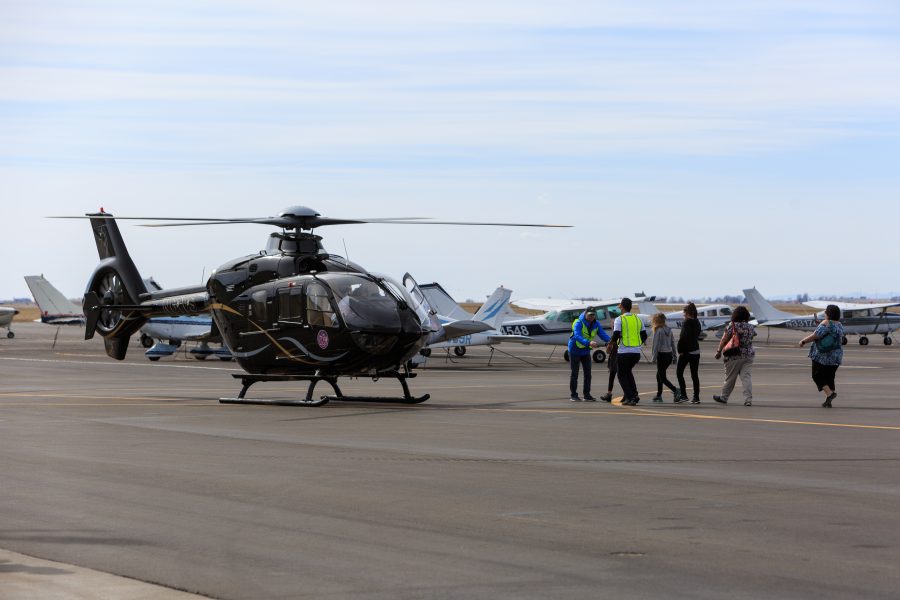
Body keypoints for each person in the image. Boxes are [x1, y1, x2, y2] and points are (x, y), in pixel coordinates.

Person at [799, 304, 844, 408]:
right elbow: (831, 330)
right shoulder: (839, 324)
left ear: (828, 313)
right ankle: (828, 400)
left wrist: (803, 341)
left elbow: (816, 335)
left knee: (816, 375)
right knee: (829, 377)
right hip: (836, 356)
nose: (824, 313)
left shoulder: (825, 323)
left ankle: (830, 394)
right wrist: (821, 324)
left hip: (822, 356)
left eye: (826, 312)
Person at [712, 305, 756, 406]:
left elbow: (724, 339)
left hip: (734, 355)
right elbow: (753, 335)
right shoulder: (750, 326)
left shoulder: (732, 326)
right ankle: (748, 399)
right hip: (749, 355)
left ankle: (724, 397)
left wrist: (718, 351)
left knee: (730, 378)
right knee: (746, 378)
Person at [608, 298, 647, 406]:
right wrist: (638, 344)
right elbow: (644, 335)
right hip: (636, 353)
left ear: (622, 307)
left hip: (624, 351)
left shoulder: (619, 319)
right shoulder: (638, 319)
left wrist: (610, 344)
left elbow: (616, 335)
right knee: (628, 372)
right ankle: (634, 395)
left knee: (621, 375)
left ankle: (630, 397)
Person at [567, 307, 610, 401]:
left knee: (588, 374)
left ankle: (587, 395)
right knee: (574, 373)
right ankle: (573, 395)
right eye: (590, 314)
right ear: (585, 313)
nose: (591, 317)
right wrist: (589, 343)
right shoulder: (578, 322)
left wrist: (611, 341)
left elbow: (602, 334)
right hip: (574, 350)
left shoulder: (596, 323)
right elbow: (577, 336)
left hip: (585, 351)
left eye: (593, 315)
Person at [675, 302, 702, 404]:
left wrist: (680, 350)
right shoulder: (697, 322)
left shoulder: (686, 322)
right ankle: (696, 397)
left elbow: (683, 337)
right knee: (694, 375)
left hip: (686, 352)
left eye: (684, 313)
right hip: (696, 351)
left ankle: (684, 395)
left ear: (687, 313)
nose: (683, 315)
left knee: (679, 373)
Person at [650, 312, 679, 403]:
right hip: (669, 355)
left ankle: (675, 390)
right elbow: (673, 344)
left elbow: (655, 345)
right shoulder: (669, 330)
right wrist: (675, 356)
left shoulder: (658, 330)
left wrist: (653, 358)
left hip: (661, 355)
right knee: (659, 376)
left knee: (662, 377)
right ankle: (659, 395)